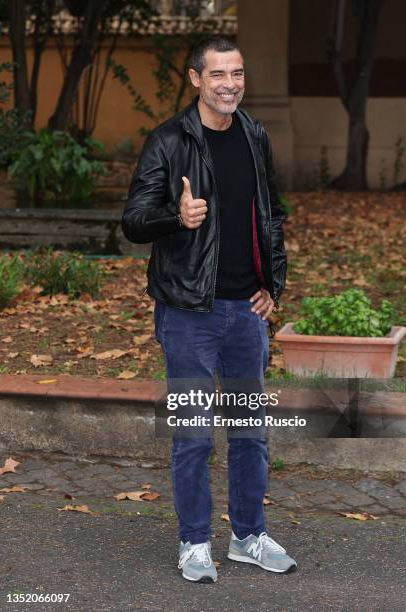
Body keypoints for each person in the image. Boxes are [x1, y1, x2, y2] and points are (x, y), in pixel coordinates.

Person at [121, 36, 296, 583]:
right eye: (218, 75)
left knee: (250, 432)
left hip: (246, 311)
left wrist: (274, 284)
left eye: (238, 74)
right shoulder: (169, 141)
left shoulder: (254, 135)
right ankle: (195, 541)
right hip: (188, 311)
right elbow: (132, 221)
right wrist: (177, 216)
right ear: (196, 79)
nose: (230, 85)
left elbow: (272, 215)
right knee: (193, 434)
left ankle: (247, 535)